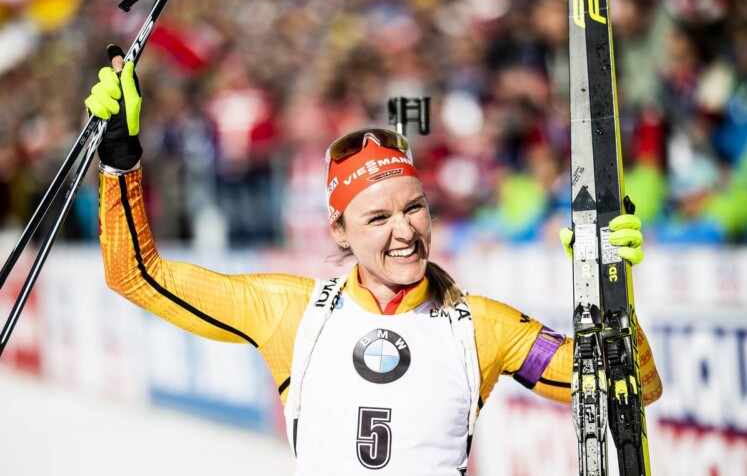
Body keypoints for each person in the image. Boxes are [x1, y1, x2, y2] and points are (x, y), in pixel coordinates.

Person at [86, 47, 662, 475]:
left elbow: (631, 388)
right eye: (378, 218)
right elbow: (135, 275)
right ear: (338, 229)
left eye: (414, 208)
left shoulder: (479, 327)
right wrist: (119, 155)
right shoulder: (292, 314)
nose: (404, 231)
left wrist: (611, 284)